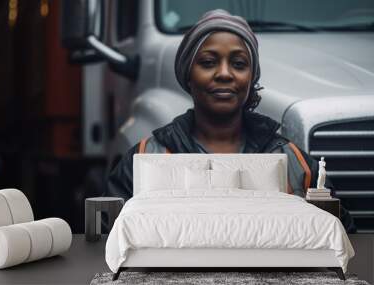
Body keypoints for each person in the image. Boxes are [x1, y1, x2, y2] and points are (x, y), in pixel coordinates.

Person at [105, 9, 355, 233]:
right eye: (208, 62)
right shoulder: (146, 156)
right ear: (187, 74)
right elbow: (109, 239)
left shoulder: (295, 163)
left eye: (238, 63)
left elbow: (339, 235)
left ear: (251, 76)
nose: (224, 73)